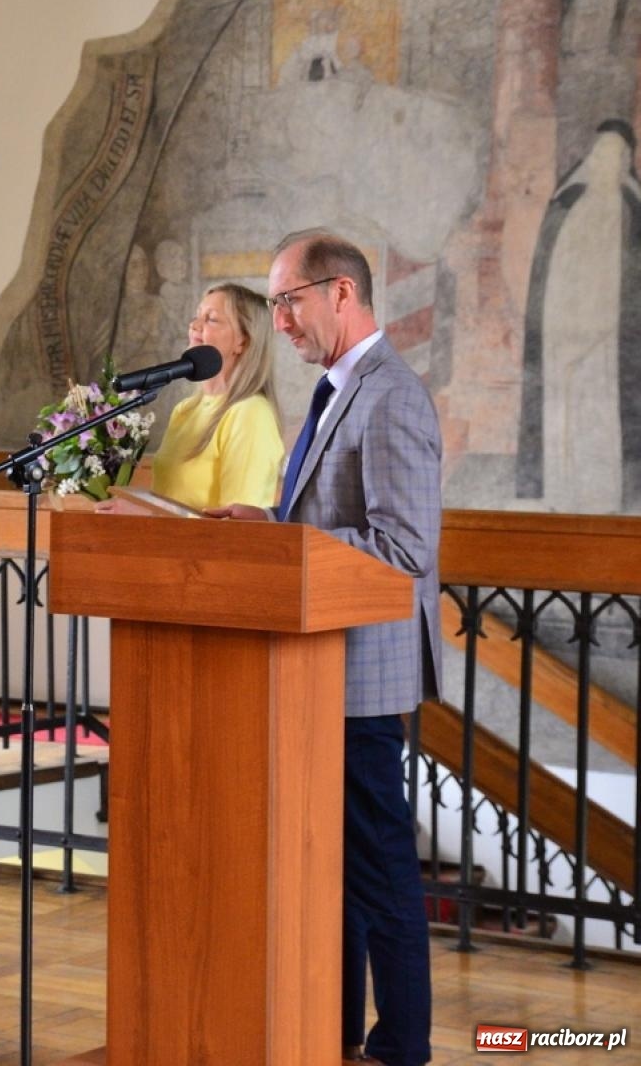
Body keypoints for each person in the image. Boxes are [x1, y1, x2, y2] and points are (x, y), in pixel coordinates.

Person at [212, 230, 441, 1066]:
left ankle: (401, 1047)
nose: (280, 322)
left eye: (289, 302)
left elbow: (404, 548)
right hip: (316, 668)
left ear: (340, 293)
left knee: (378, 872)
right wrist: (271, 528)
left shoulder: (391, 396)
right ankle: (331, 1030)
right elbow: (325, 523)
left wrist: (289, 540)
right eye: (273, 305)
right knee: (331, 875)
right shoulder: (334, 391)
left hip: (360, 674)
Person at [144, 282, 285, 510]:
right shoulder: (186, 409)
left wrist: (147, 519)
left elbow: (236, 529)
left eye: (211, 319)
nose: (194, 326)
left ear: (243, 341)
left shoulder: (250, 414)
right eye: (197, 316)